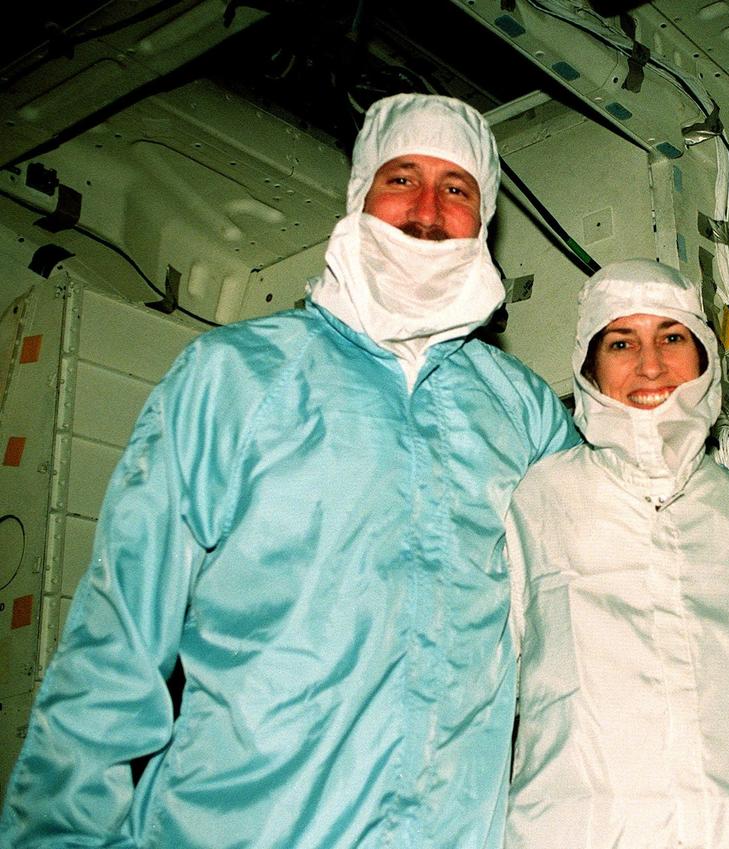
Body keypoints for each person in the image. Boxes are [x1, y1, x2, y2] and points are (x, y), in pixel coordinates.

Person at [0, 94, 578, 848]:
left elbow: (616, 557)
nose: (428, 209)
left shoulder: (524, 414)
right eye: (402, 178)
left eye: (458, 188)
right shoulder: (232, 376)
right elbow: (116, 641)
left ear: (484, 218)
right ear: (360, 197)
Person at [502, 259, 729, 849]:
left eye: (672, 338)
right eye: (622, 342)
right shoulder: (538, 501)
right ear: (590, 369)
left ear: (704, 356)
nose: (650, 365)